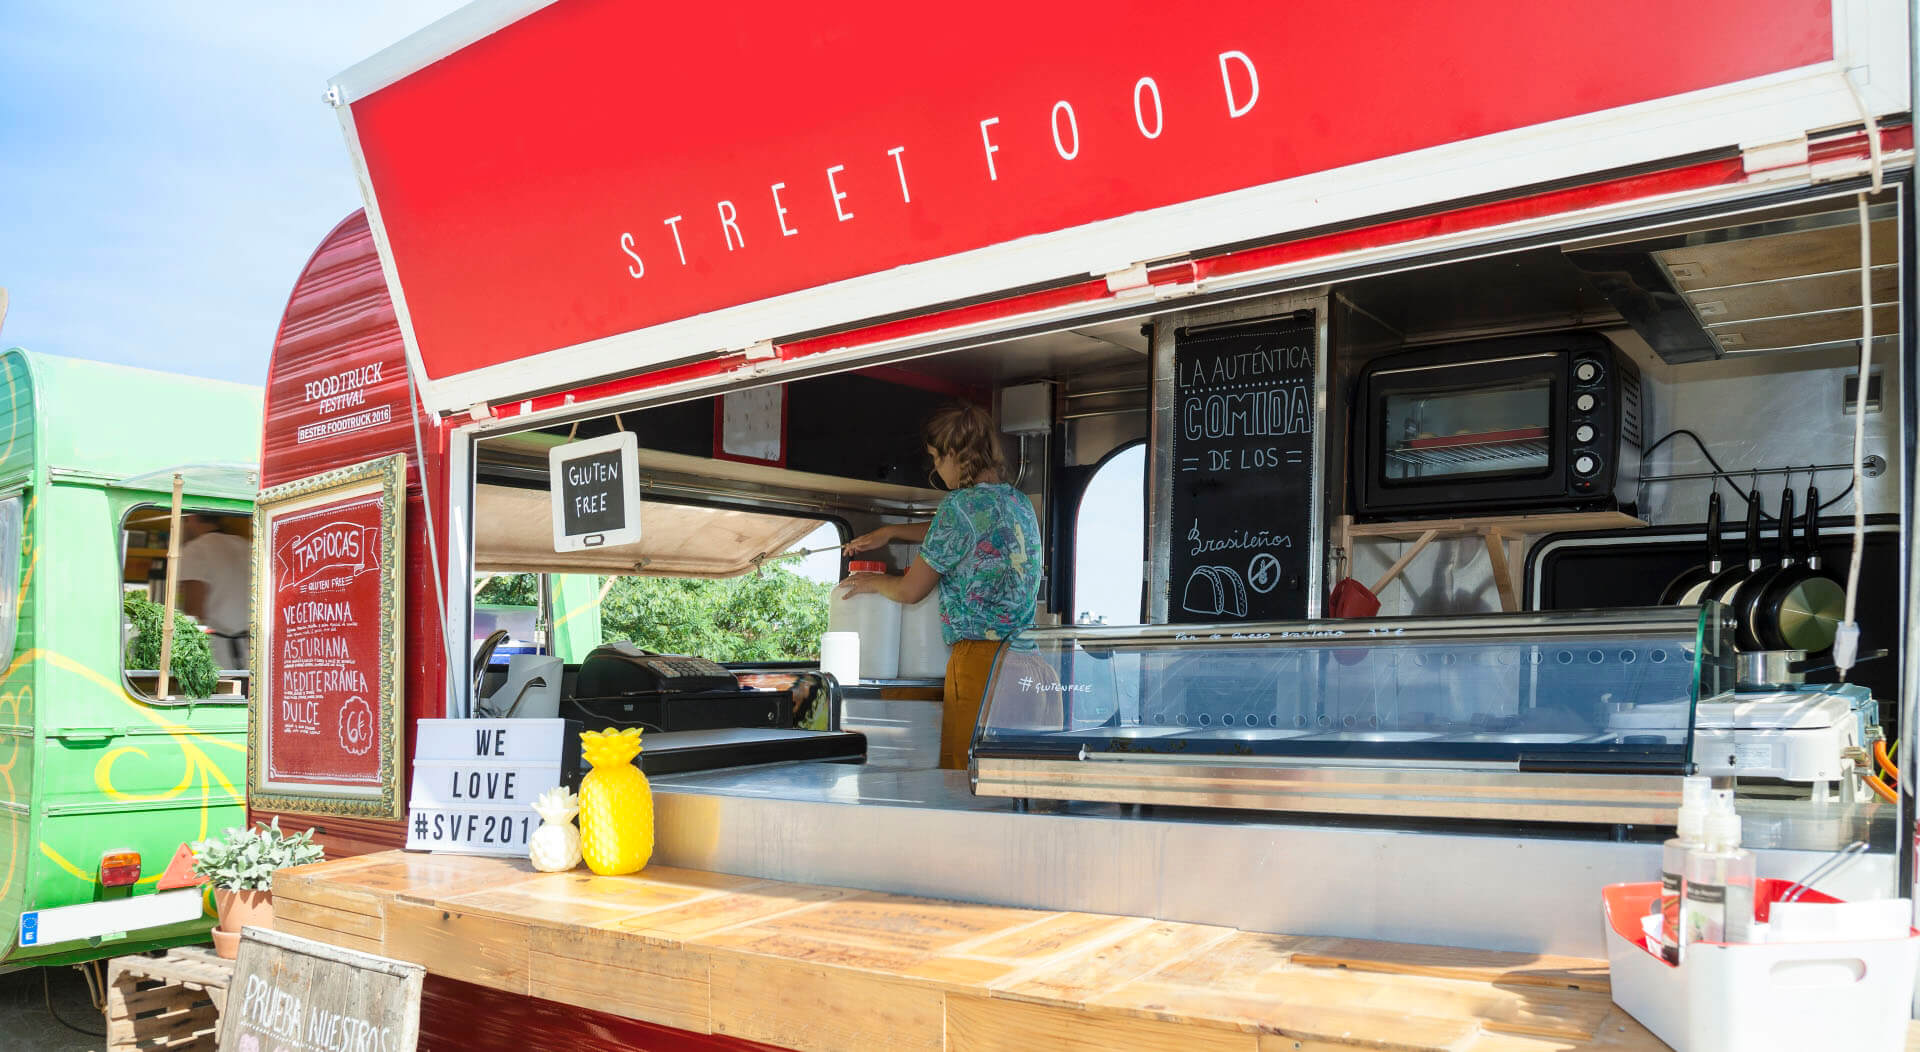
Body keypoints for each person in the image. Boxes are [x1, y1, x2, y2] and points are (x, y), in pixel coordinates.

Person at [840, 403, 1043, 769]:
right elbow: (971, 534)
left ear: (955, 455)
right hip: (1030, 662)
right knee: (1014, 780)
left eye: (936, 458)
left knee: (965, 782)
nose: (936, 468)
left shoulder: (958, 505)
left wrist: (872, 582)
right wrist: (891, 531)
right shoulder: (1018, 501)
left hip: (981, 664)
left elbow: (908, 591)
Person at [176, 512, 251, 671]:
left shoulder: (195, 550)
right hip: (252, 651)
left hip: (217, 656)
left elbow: (193, 612)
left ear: (191, 517)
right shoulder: (247, 546)